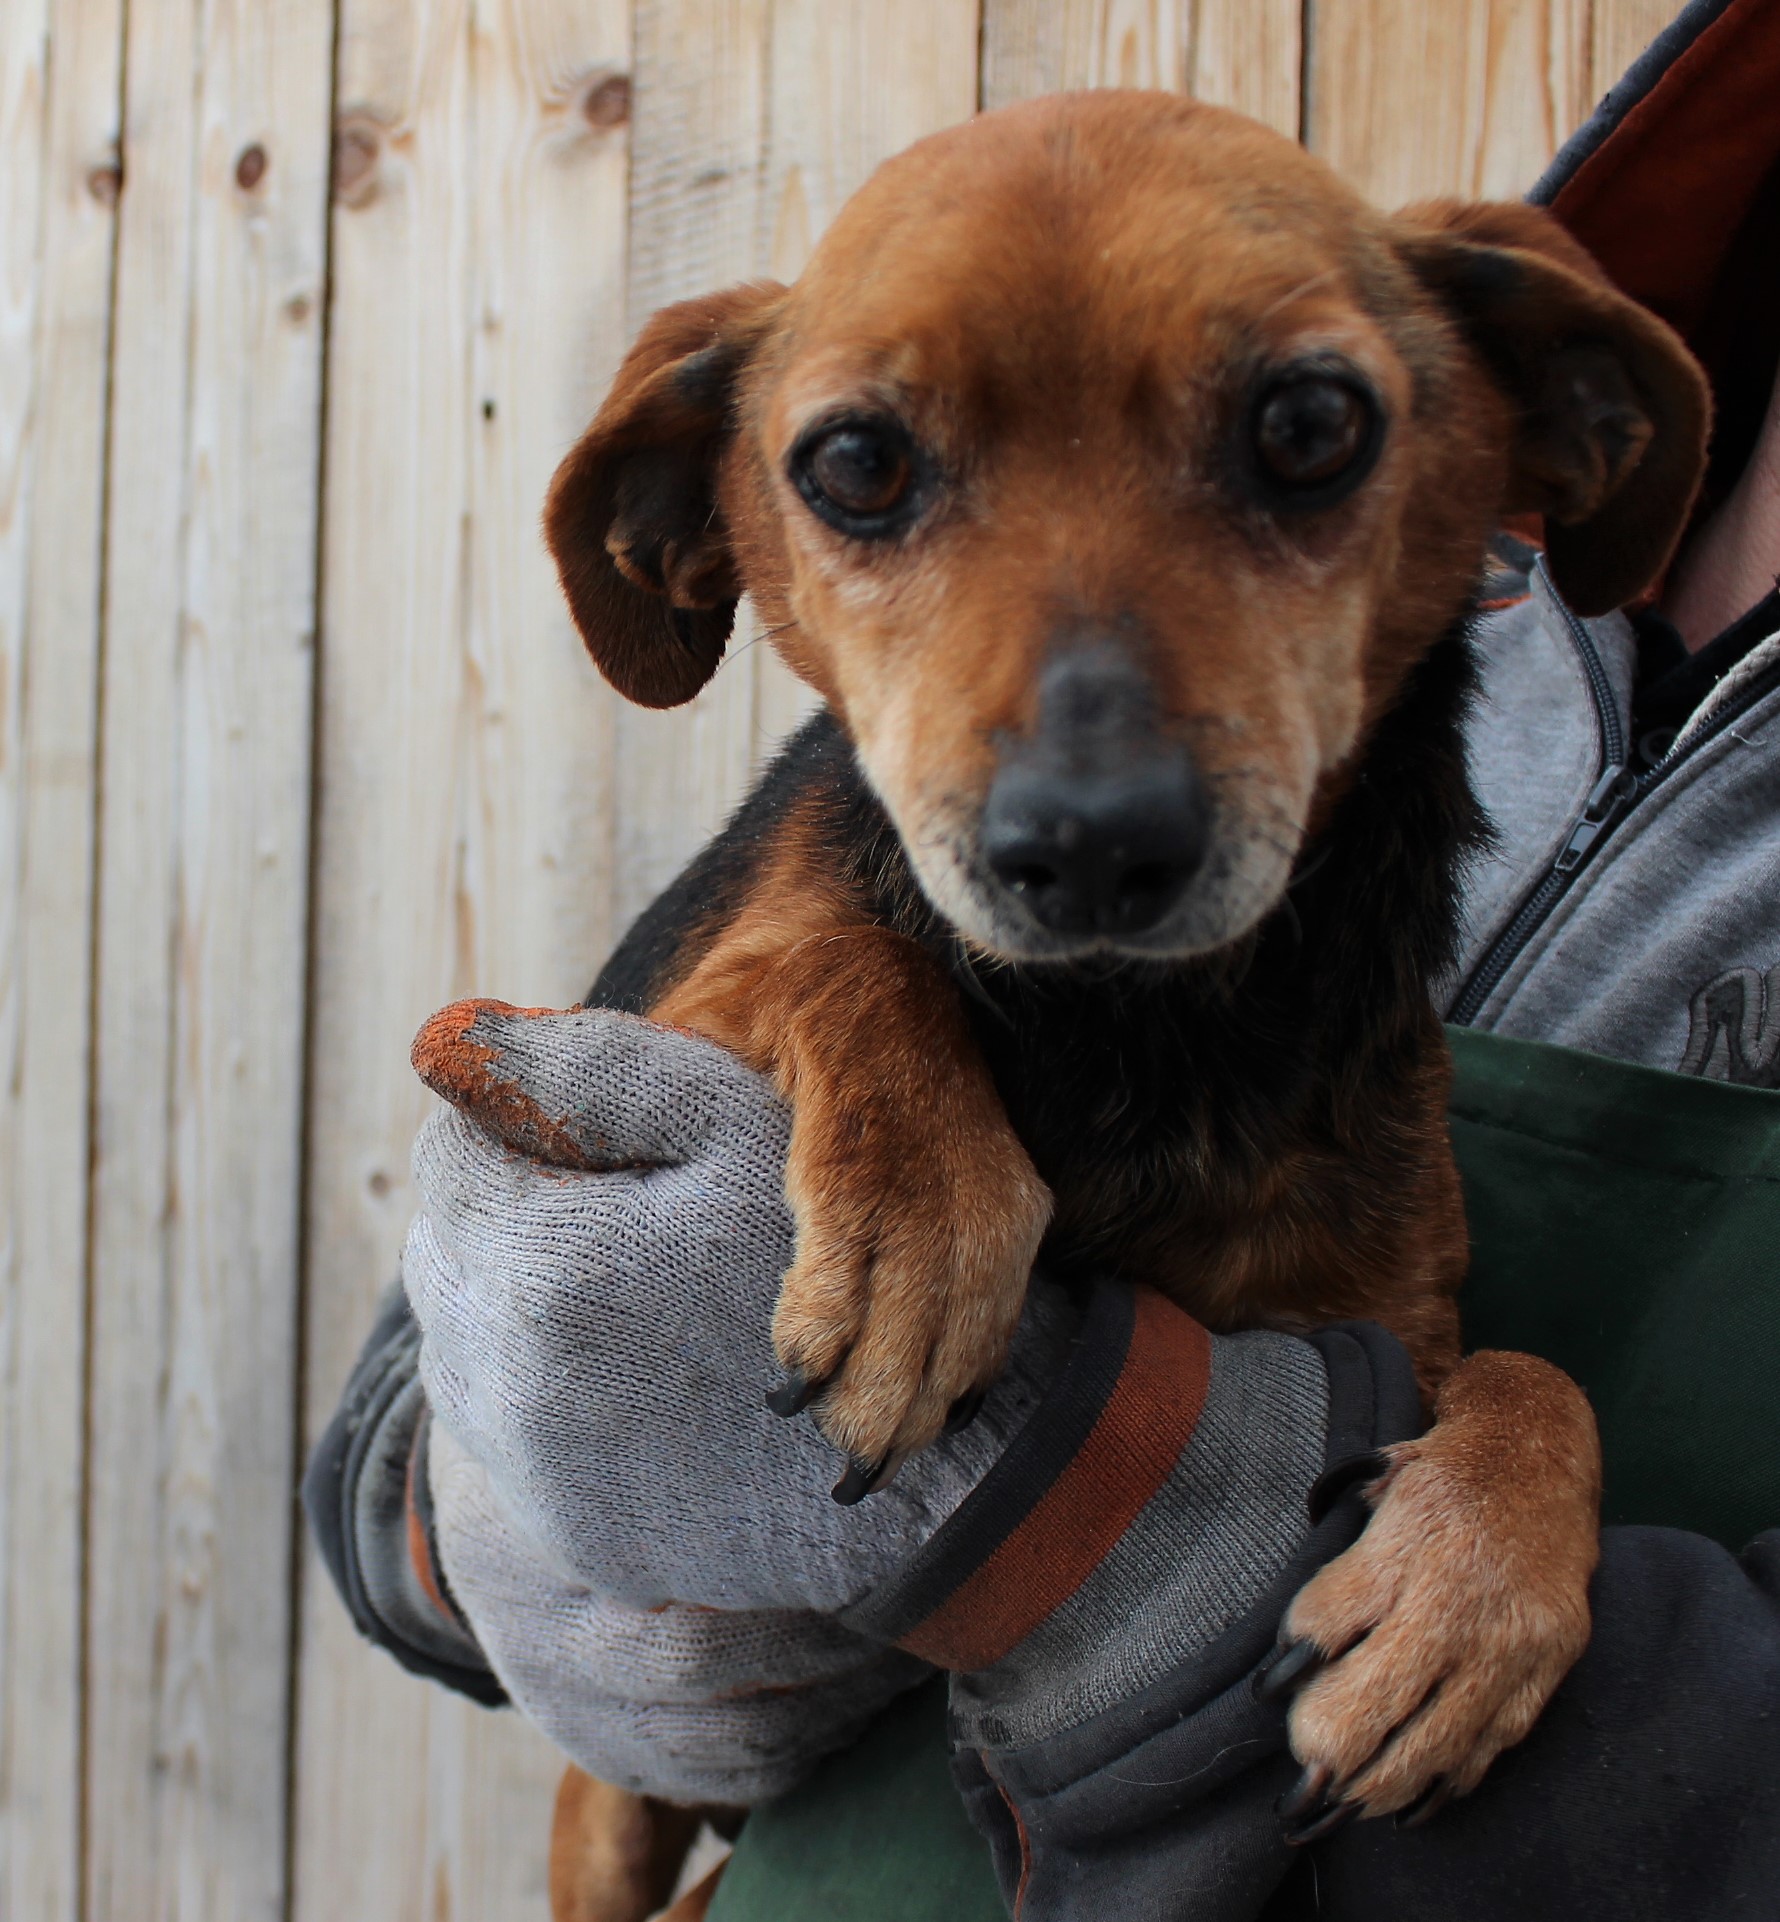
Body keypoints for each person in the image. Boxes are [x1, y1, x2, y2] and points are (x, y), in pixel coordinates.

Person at [304, 1, 1780, 1915]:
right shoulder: (815, 870)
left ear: (1516, 446)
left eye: (1295, 439)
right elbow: (391, 1457)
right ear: (709, 532)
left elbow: (1406, 1391)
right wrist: (467, 1522)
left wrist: (1502, 1457)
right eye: (869, 474)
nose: (1083, 790)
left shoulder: (1466, 377)